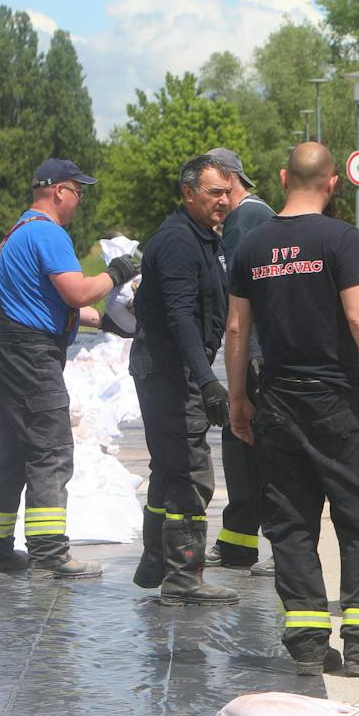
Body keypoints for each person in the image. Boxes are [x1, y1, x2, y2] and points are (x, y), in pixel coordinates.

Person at [224, 142, 359, 678]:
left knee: (290, 523)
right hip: (336, 402)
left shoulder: (252, 245)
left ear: (284, 177)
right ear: (333, 184)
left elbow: (237, 328)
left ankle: (308, 644)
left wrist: (240, 398)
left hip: (277, 401)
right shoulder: (340, 238)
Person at [0, 158, 139, 578]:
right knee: (51, 452)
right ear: (59, 191)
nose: (79, 201)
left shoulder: (18, 233)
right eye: (78, 192)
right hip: (29, 359)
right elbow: (76, 291)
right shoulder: (49, 232)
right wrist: (117, 272)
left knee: (11, 452)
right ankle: (49, 555)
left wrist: (103, 322)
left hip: (5, 352)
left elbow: (41, 302)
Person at [129, 153, 238, 604]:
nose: (224, 201)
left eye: (228, 192)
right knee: (192, 472)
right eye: (215, 193)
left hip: (169, 371)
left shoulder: (203, 238)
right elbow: (179, 318)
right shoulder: (177, 241)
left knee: (168, 467)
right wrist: (207, 381)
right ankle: (183, 577)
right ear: (188, 192)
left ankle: (156, 560)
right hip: (170, 375)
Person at [203, 147, 276, 576]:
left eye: (214, 189)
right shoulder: (257, 216)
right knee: (242, 449)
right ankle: (237, 542)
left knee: (254, 446)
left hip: (256, 354)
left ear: (230, 182)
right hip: (256, 352)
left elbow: (231, 296)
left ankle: (273, 546)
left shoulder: (245, 219)